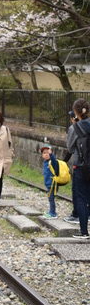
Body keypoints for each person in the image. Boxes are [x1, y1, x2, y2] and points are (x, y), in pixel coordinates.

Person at [66, 98, 90, 239]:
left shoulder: (74, 128)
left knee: (81, 198)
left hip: (81, 166)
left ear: (75, 111)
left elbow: (69, 147)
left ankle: (83, 232)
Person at [40, 145, 59, 219]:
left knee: (51, 198)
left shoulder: (52, 161)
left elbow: (54, 162)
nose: (46, 154)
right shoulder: (45, 162)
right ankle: (51, 211)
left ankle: (53, 213)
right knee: (50, 198)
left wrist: (51, 155)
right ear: (42, 155)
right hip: (48, 184)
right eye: (44, 153)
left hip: (53, 184)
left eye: (48, 153)